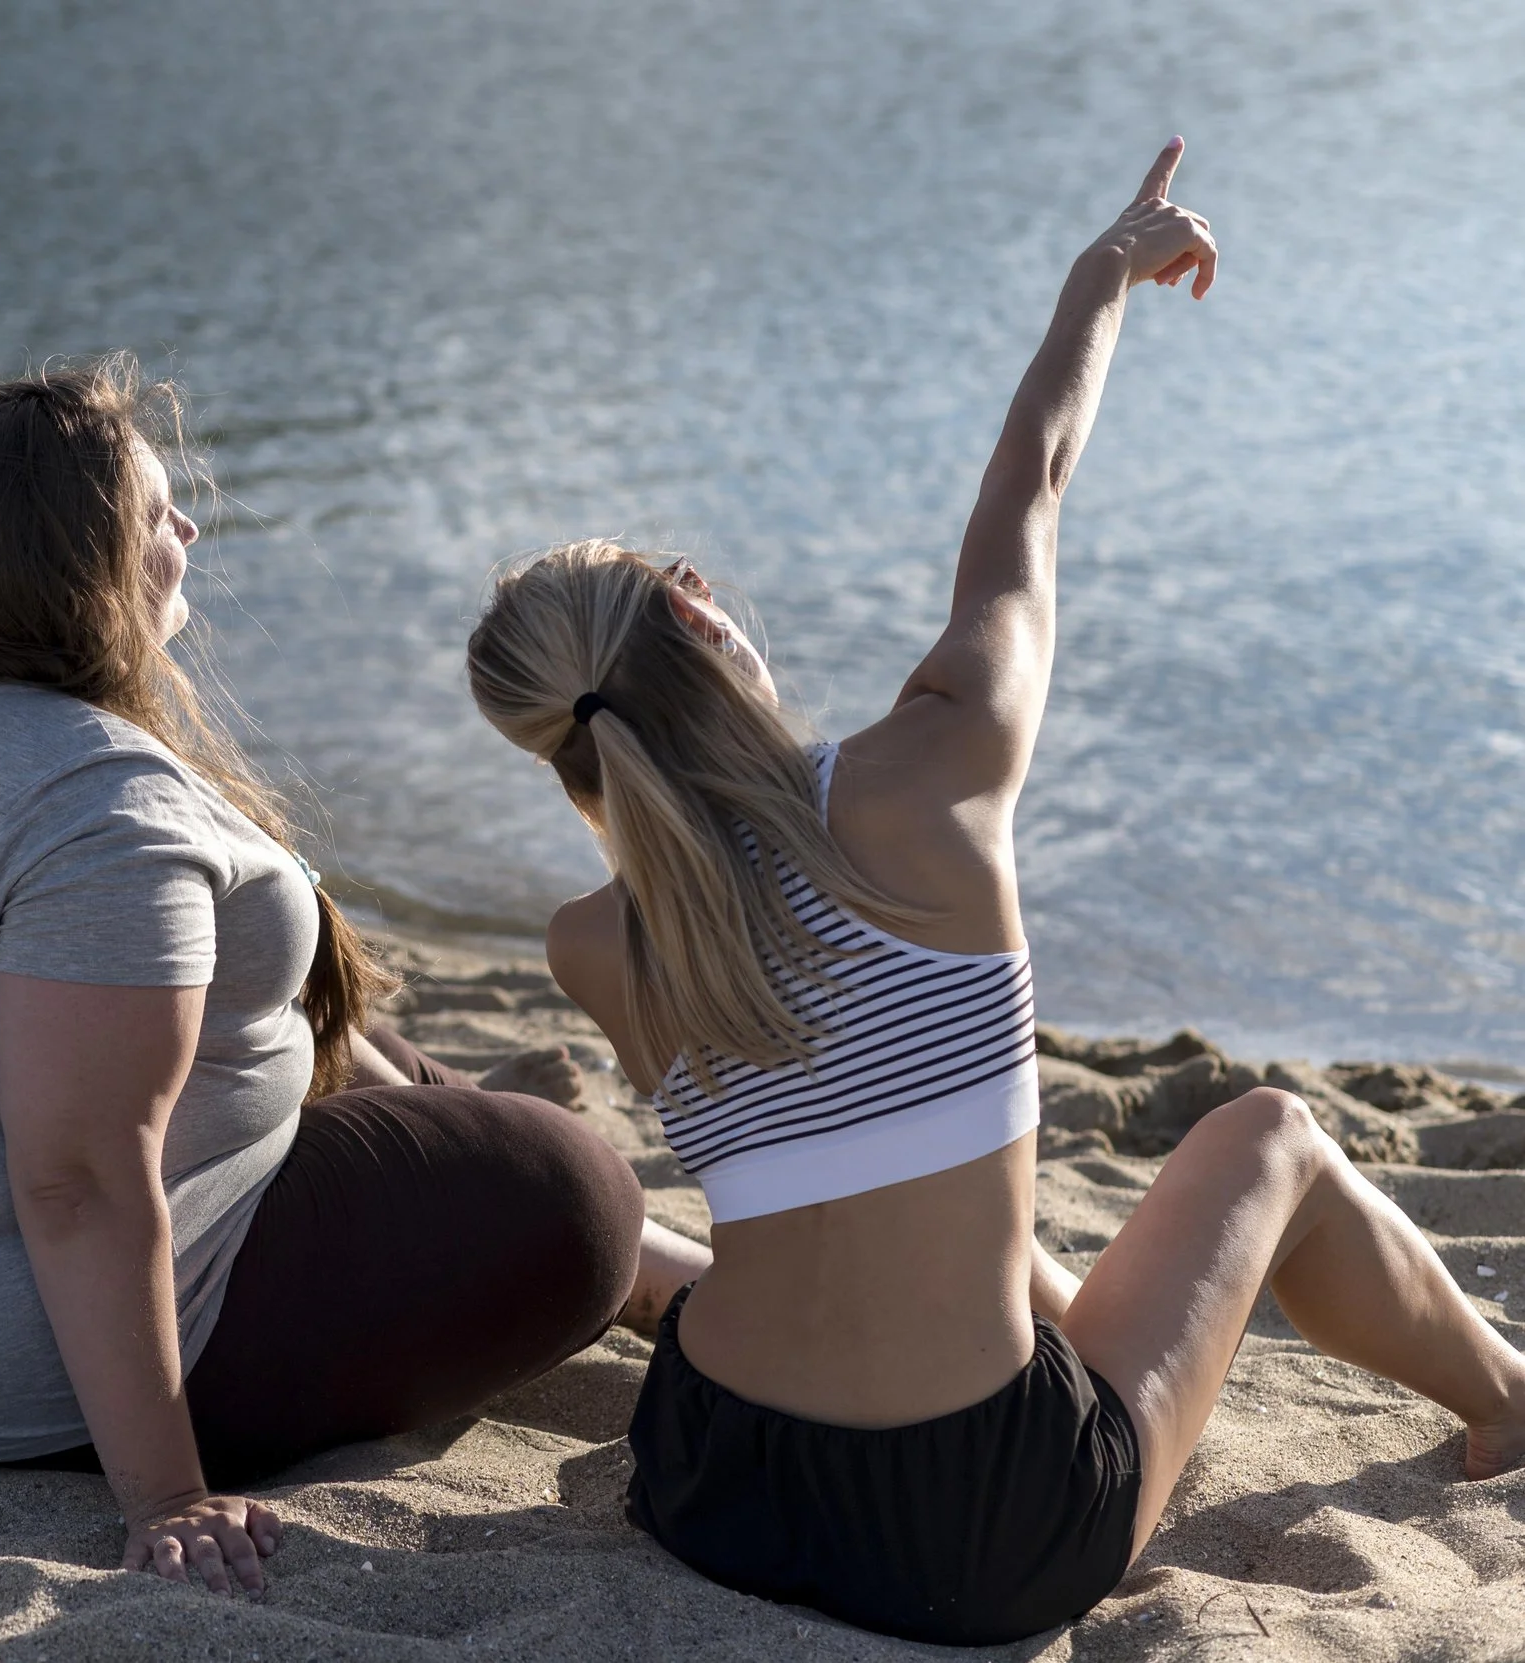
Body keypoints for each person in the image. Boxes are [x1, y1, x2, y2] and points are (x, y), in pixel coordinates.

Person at [463, 139, 1525, 1646]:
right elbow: (1033, 478)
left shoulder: (600, 939)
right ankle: (1511, 1405)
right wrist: (1102, 278)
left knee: (926, 1186)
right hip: (979, 1529)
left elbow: (836, 1150)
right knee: (1273, 1136)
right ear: (698, 611)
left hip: (717, 1480)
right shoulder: (936, 764)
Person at [0, 356, 711, 1596]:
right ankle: (644, 1260)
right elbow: (77, 1180)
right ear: (89, 568)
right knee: (565, 1190)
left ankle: (680, 1278)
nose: (191, 530)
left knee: (417, 1086)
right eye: (163, 515)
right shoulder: (100, 818)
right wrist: (164, 1493)